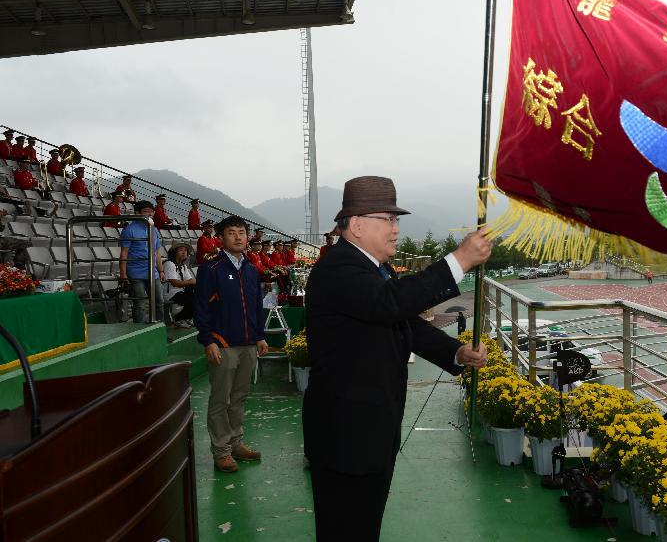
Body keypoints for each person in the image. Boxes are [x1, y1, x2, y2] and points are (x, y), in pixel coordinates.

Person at [303, 176, 492, 541]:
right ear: (356, 225)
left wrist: (454, 351)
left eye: (396, 220)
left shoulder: (372, 268)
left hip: (369, 429)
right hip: (347, 435)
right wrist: (459, 261)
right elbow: (390, 303)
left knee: (363, 525)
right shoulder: (339, 267)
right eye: (387, 220)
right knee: (345, 529)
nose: (396, 229)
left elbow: (402, 323)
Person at [193, 215, 268, 473]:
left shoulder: (250, 269)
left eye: (242, 233)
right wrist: (208, 340)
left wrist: (259, 335)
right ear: (221, 238)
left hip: (248, 344)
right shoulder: (210, 269)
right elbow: (201, 308)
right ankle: (221, 451)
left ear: (247, 237)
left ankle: (236, 443)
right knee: (220, 400)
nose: (238, 237)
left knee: (239, 396)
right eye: (231, 233)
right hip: (223, 345)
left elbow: (256, 306)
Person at [119, 200, 165, 323]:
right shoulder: (129, 229)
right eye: (146, 212)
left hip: (153, 271)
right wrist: (123, 274)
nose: (149, 214)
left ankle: (160, 328)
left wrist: (161, 270)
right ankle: (138, 330)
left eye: (151, 212)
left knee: (159, 301)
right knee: (139, 303)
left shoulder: (154, 230)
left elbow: (157, 252)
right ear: (137, 213)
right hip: (135, 272)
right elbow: (124, 253)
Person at [163, 242, 196, 328]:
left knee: (199, 296)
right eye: (181, 250)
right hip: (170, 293)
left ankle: (187, 318)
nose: (184, 252)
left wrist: (193, 282)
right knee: (192, 299)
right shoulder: (169, 264)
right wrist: (191, 282)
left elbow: (189, 280)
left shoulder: (183, 266)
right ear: (174, 252)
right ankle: (179, 319)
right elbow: (175, 283)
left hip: (180, 291)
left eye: (185, 251)